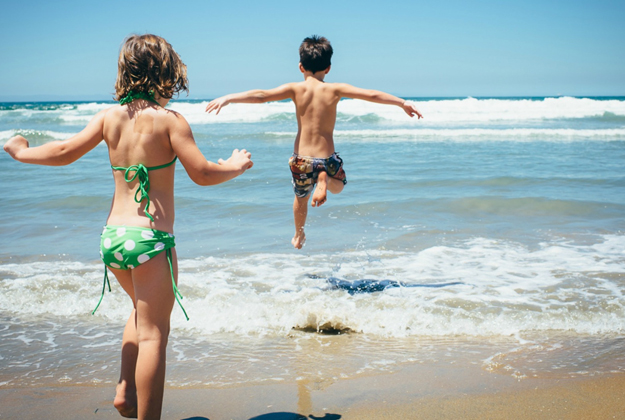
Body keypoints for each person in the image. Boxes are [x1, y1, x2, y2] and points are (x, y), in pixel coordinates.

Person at [3, 34, 253, 420]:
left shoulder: (109, 118)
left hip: (113, 240)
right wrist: (236, 165)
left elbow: (63, 152)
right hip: (151, 240)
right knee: (155, 333)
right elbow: (202, 173)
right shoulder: (171, 122)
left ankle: (124, 390)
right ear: (167, 74)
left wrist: (20, 152)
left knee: (140, 313)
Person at [205, 35, 422, 249]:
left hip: (302, 160)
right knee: (339, 188)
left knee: (300, 198)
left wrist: (228, 98)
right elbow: (372, 95)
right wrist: (402, 103)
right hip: (326, 159)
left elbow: (262, 95)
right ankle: (324, 178)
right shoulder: (335, 89)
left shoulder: (295, 89)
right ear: (328, 68)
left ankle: (298, 235)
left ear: (301, 67)